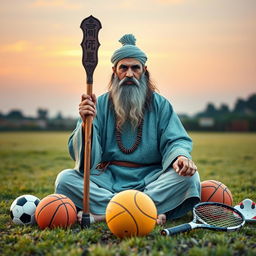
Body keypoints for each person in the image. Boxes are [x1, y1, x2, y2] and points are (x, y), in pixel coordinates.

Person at [55, 34, 200, 225]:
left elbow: (176, 140)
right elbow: (85, 158)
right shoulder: (99, 104)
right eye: (124, 68)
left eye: (135, 68)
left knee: (189, 179)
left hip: (152, 179)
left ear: (144, 71)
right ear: (115, 71)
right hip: (107, 179)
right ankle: (144, 211)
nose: (129, 74)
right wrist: (85, 124)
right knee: (65, 179)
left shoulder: (161, 105)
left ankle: (107, 214)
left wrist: (180, 157)